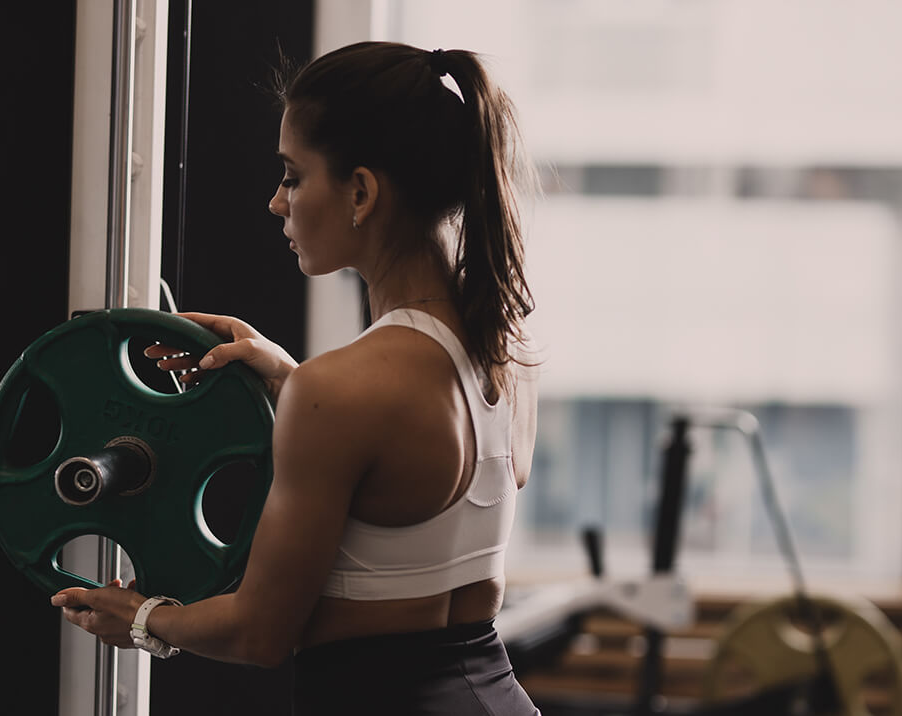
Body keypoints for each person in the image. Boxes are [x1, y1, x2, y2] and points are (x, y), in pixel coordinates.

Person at [52, 40, 541, 715]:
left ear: (362, 192)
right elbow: (415, 496)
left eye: (292, 176)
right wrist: (287, 377)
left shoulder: (341, 391)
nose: (276, 203)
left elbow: (259, 632)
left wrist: (138, 618)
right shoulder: (505, 354)